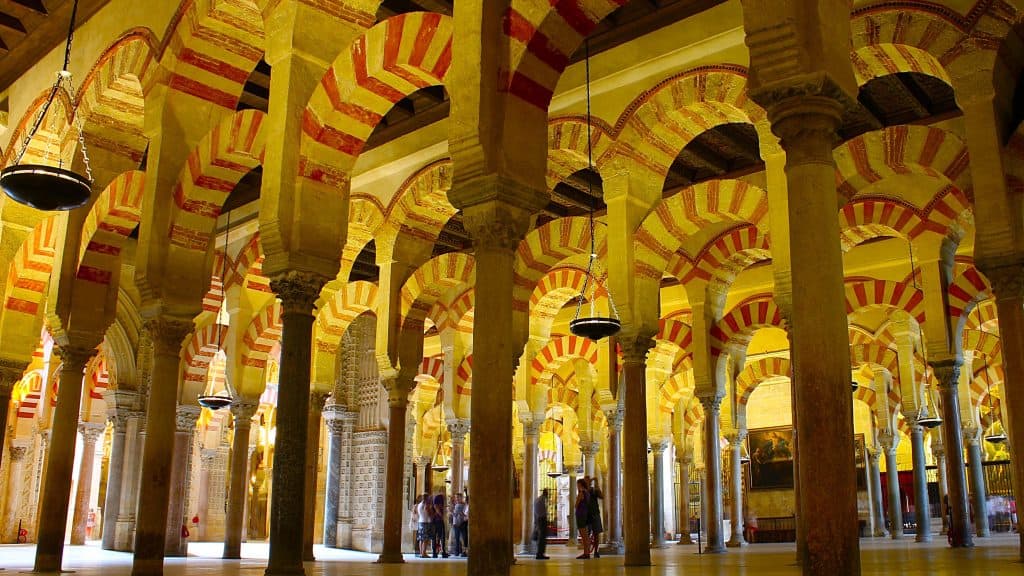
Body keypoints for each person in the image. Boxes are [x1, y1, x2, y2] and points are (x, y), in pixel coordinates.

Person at [587, 476, 604, 557]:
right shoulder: (583, 491)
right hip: (587, 516)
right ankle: (586, 551)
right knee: (586, 534)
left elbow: (601, 496)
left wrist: (597, 483)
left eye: (589, 480)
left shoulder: (594, 490)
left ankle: (596, 552)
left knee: (596, 534)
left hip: (595, 514)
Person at [575, 478, 591, 559]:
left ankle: (586, 553)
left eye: (577, 484)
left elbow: (576, 505)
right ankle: (586, 552)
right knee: (585, 536)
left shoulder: (581, 493)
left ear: (580, 484)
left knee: (584, 536)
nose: (577, 486)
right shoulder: (587, 493)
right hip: (585, 515)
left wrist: (577, 498)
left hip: (581, 515)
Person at [534, 488, 550, 560]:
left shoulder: (538, 499)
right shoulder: (542, 500)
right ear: (546, 493)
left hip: (539, 519)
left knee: (541, 537)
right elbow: (543, 511)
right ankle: (540, 554)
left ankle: (540, 553)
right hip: (542, 519)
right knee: (542, 537)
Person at [431, 492, 449, 558]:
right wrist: (441, 516)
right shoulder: (438, 497)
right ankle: (436, 552)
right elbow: (436, 507)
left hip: (439, 520)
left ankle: (440, 552)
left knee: (441, 537)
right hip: (437, 521)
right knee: (439, 537)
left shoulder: (440, 498)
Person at [416, 493, 432, 558]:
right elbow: (427, 511)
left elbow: (417, 513)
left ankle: (421, 553)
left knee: (421, 539)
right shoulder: (426, 504)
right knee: (425, 539)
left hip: (420, 521)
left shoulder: (419, 504)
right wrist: (431, 515)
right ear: (427, 498)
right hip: (425, 522)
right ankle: (424, 553)